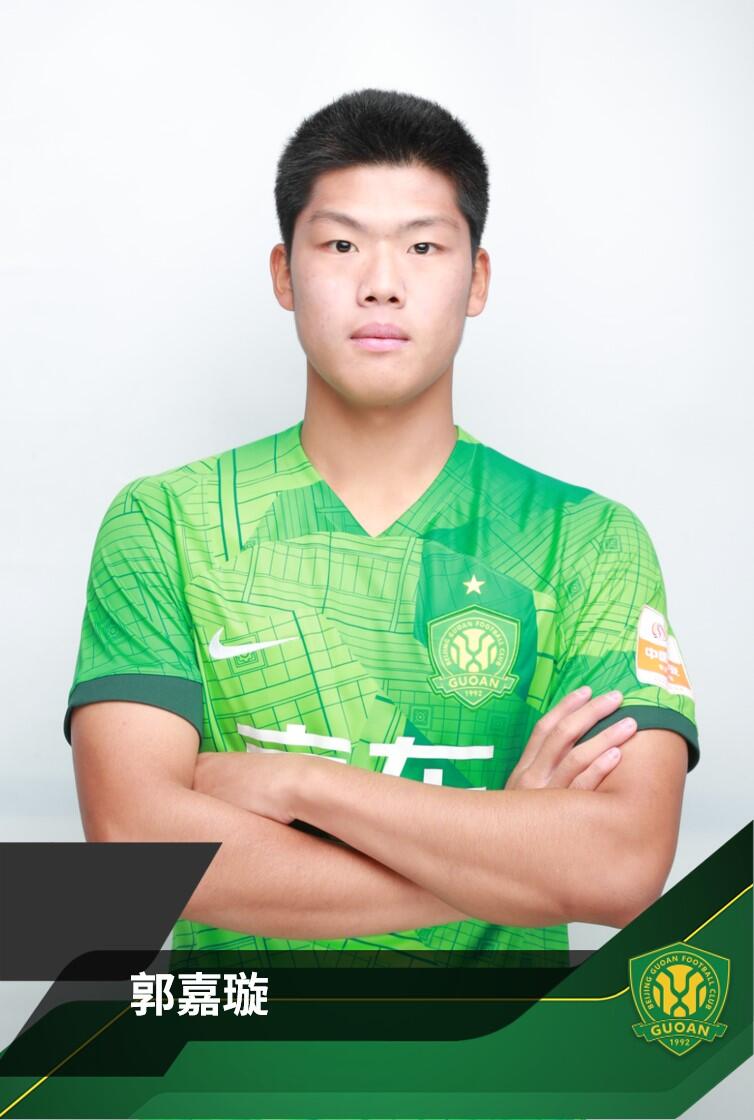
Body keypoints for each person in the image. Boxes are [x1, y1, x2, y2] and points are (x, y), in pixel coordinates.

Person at [65, 88, 698, 963]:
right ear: (284, 273)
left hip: (506, 1051)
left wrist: (298, 782)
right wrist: (512, 849)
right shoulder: (167, 523)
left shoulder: (586, 539)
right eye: (340, 244)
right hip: (240, 1048)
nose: (382, 283)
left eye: (424, 247)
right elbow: (138, 849)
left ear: (477, 280)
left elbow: (621, 866)